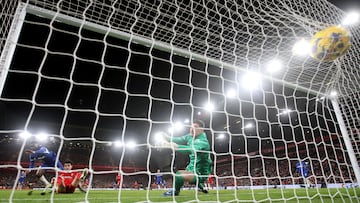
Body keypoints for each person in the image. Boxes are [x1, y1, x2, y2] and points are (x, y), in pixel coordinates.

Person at [162, 120, 212, 196]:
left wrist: (176, 147)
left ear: (202, 129)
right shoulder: (189, 136)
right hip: (191, 167)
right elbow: (178, 139)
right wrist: (166, 137)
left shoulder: (202, 141)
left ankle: (175, 192)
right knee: (187, 174)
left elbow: (191, 150)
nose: (192, 129)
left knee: (178, 175)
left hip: (201, 172)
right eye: (191, 127)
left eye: (195, 127)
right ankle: (202, 188)